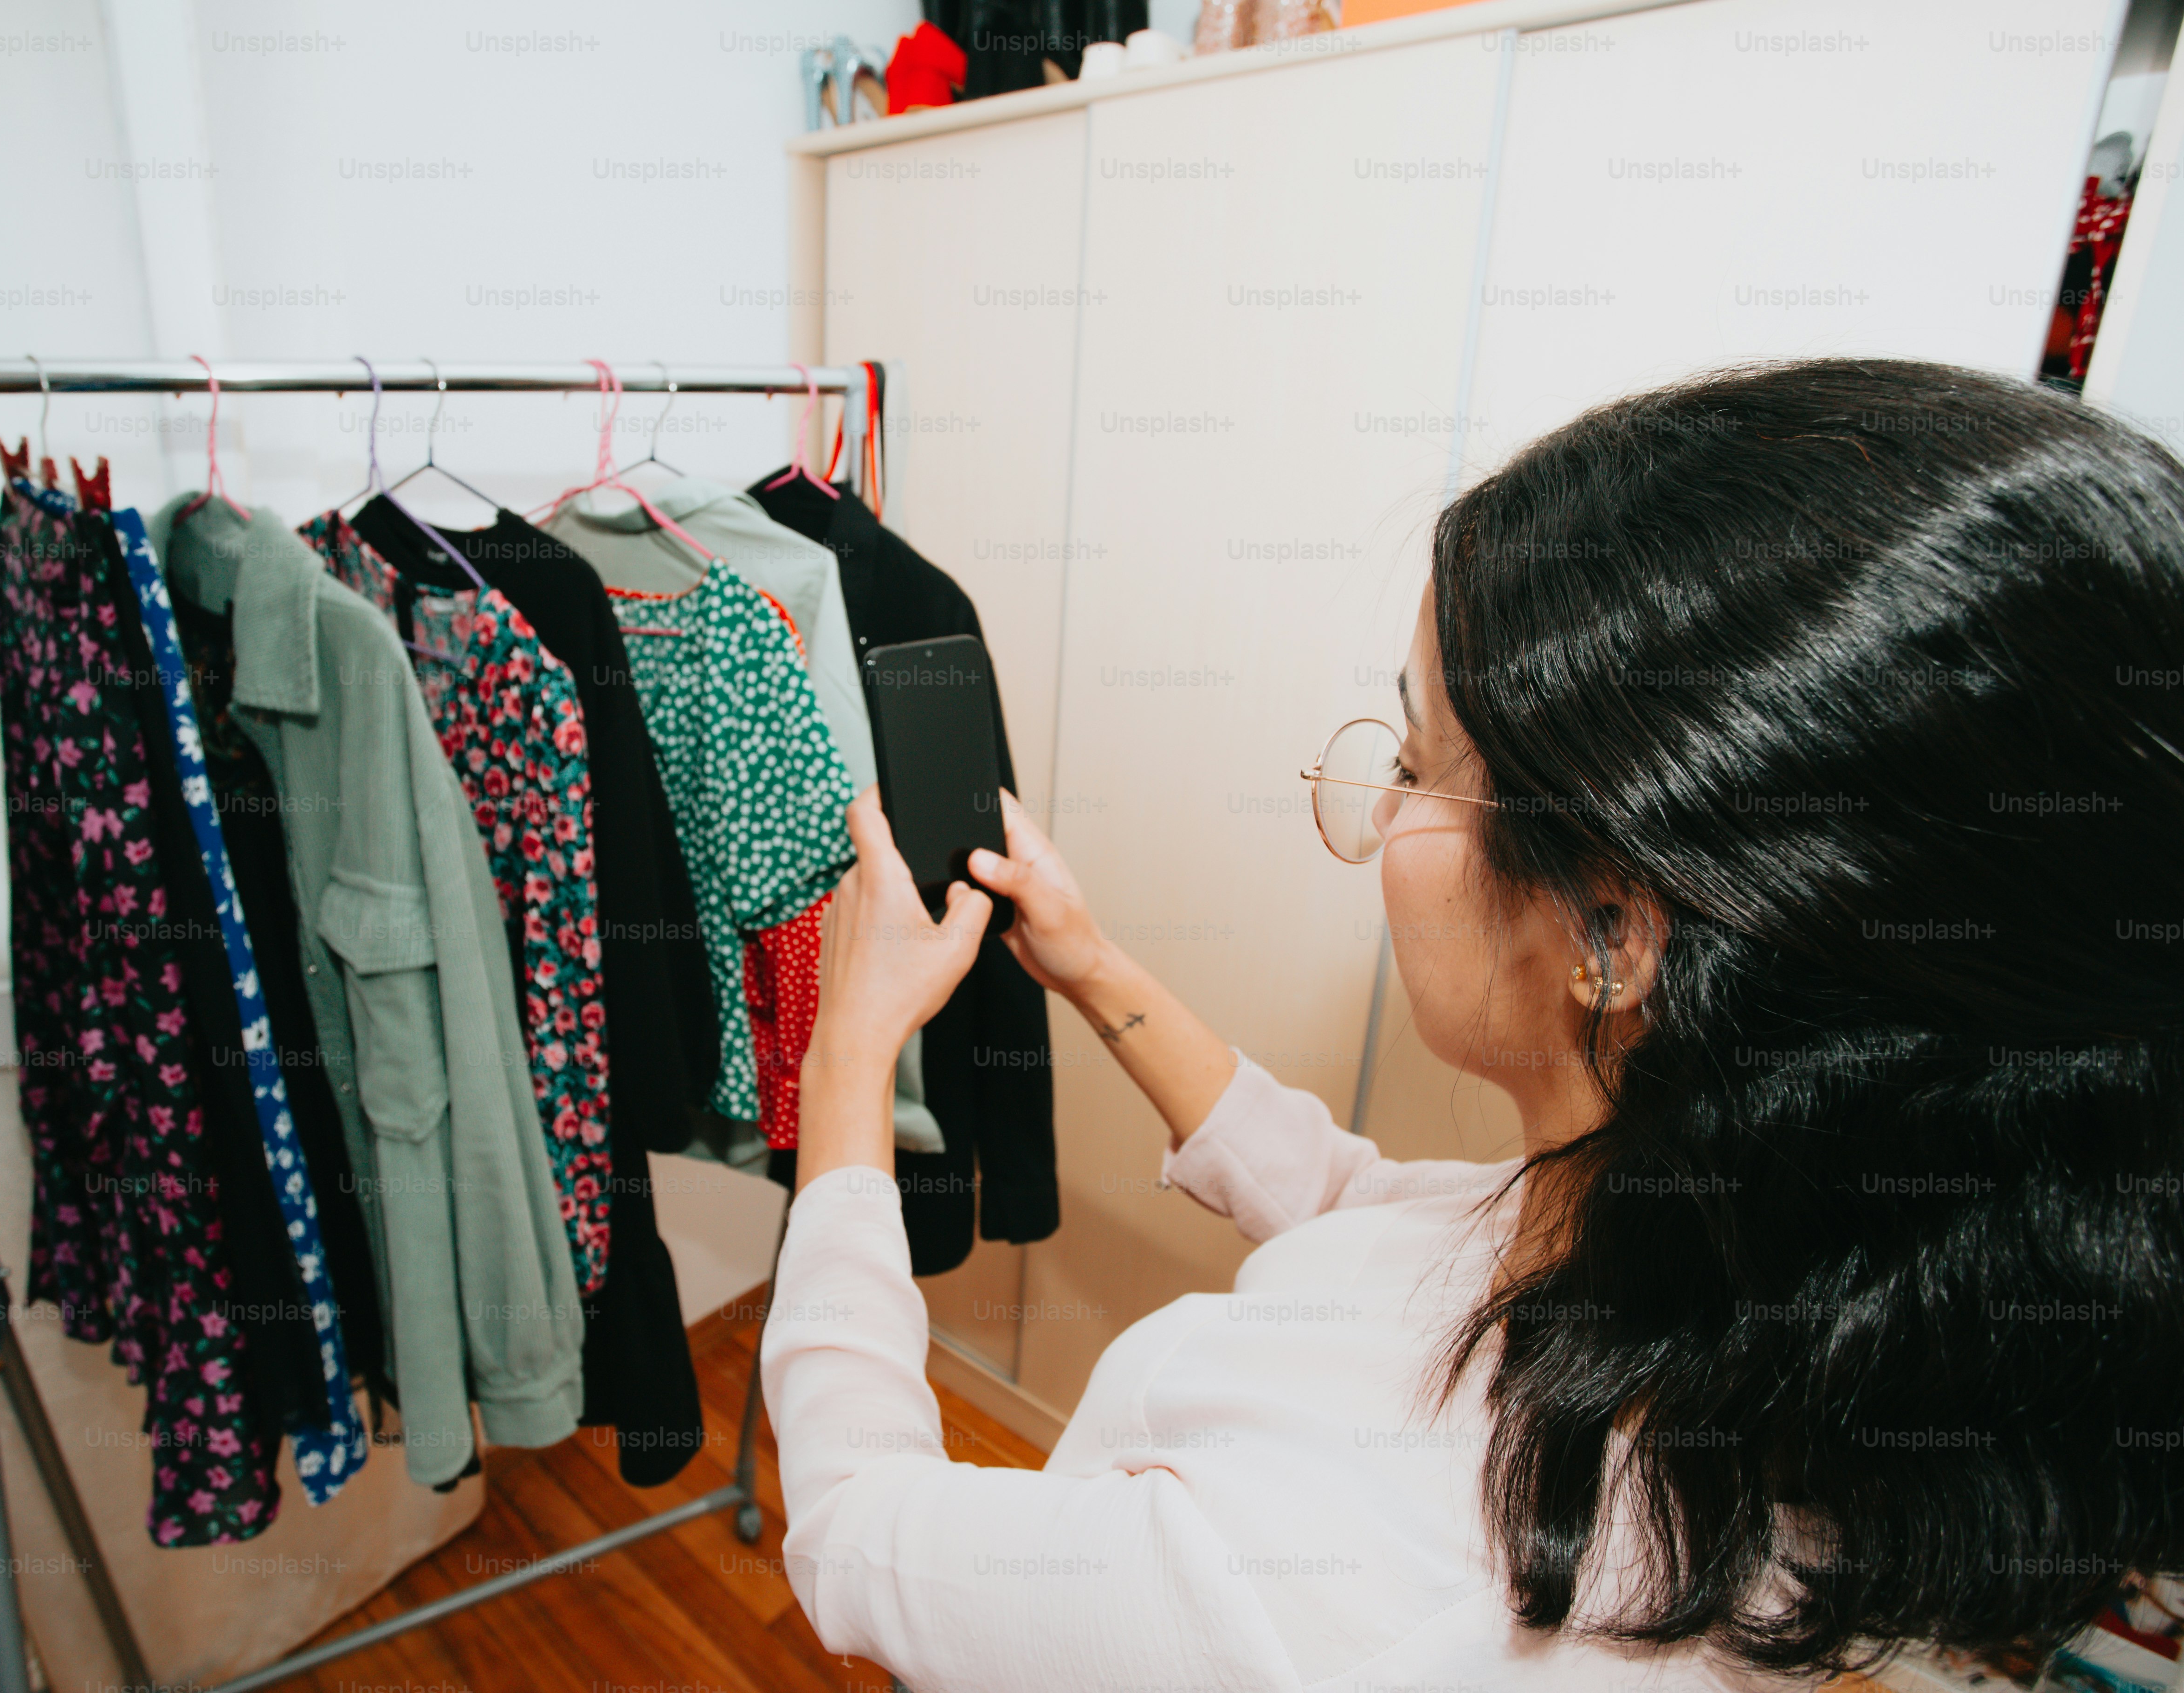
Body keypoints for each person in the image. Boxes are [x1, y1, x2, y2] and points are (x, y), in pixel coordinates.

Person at [761, 359, 2184, 1691]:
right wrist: (1090, 967)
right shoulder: (1757, 1283)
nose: (1384, 809)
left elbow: (851, 1528)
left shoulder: (1326, 1577)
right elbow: (1368, 1216)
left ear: (1615, 934)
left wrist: (846, 1053)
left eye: (1427, 763)